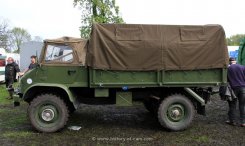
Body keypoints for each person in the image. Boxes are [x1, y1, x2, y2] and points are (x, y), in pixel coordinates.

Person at [227, 57, 245, 127]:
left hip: (233, 89)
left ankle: (232, 121)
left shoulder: (228, 69)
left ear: (230, 62)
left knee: (232, 105)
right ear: (236, 61)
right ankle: (243, 122)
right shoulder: (243, 67)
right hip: (243, 88)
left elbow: (227, 80)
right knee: (242, 105)